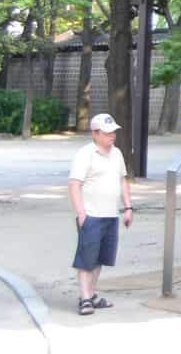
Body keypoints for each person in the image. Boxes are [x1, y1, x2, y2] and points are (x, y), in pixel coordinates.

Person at [68, 113, 132, 316]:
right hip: (91, 214)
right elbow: (74, 184)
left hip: (111, 214)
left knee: (100, 258)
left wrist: (128, 207)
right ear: (95, 133)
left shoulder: (117, 154)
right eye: (107, 133)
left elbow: (122, 181)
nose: (111, 136)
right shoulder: (85, 154)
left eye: (113, 132)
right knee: (87, 259)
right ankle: (84, 298)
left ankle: (92, 294)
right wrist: (81, 214)